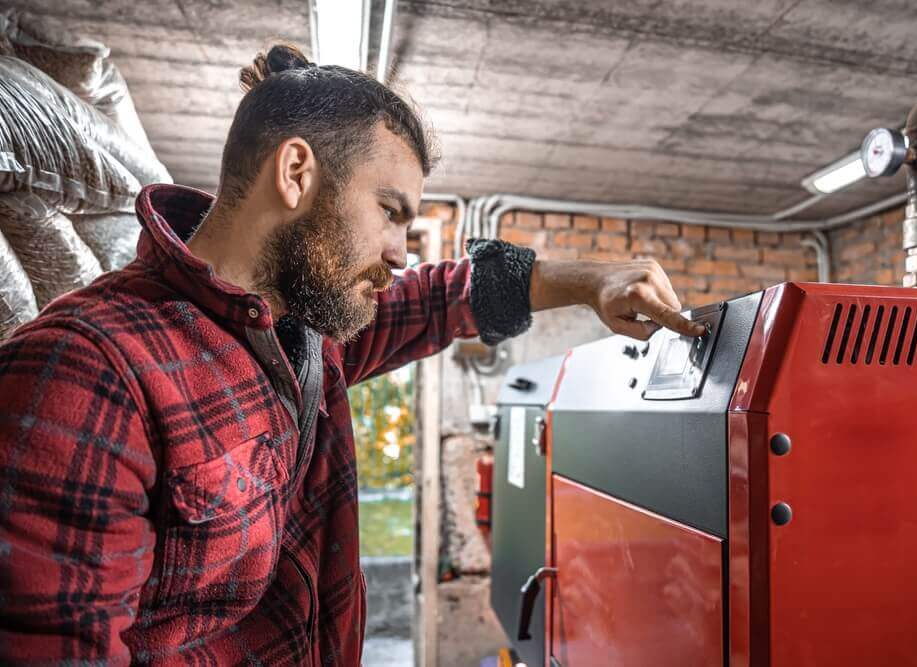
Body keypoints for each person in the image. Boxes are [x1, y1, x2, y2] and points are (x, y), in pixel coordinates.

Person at [0, 43, 703, 665]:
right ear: (297, 174)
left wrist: (590, 282)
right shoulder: (87, 373)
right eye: (391, 211)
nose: (401, 250)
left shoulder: (302, 331)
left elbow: (441, 297)